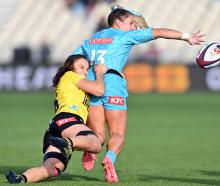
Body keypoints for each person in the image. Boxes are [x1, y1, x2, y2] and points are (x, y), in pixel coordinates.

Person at [72, 5, 205, 183]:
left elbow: (72, 61)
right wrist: (187, 37)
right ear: (117, 21)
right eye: (131, 23)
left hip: (93, 85)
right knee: (117, 134)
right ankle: (110, 158)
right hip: (113, 83)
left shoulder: (92, 39)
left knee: (98, 136)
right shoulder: (125, 36)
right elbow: (159, 32)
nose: (134, 27)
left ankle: (80, 146)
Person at [5, 54, 107, 184]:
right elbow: (99, 90)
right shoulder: (70, 75)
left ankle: (21, 178)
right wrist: (99, 74)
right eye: (81, 67)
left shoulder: (73, 84)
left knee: (52, 169)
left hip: (54, 128)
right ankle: (68, 143)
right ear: (70, 67)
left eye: (87, 69)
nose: (85, 71)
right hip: (68, 120)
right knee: (97, 143)